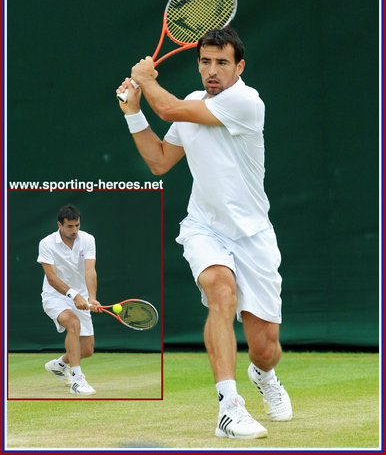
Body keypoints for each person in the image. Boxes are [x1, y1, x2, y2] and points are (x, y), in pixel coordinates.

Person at [116, 28, 292, 438]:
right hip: (204, 228)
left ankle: (263, 376)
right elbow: (160, 161)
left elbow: (169, 110)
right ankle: (229, 409)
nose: (212, 71)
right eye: (205, 62)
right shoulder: (191, 103)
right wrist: (132, 113)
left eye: (222, 63)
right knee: (220, 292)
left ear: (239, 67)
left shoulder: (247, 102)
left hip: (253, 235)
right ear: (198, 64)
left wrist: (145, 80)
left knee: (265, 347)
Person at [37, 204, 101, 395]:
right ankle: (77, 380)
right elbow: (52, 278)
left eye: (77, 226)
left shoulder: (88, 239)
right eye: (70, 227)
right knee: (73, 322)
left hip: (81, 296)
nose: (74, 231)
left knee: (87, 349)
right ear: (60, 225)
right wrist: (74, 295)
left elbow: (90, 270)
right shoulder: (46, 243)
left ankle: (59, 364)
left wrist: (92, 298)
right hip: (54, 296)